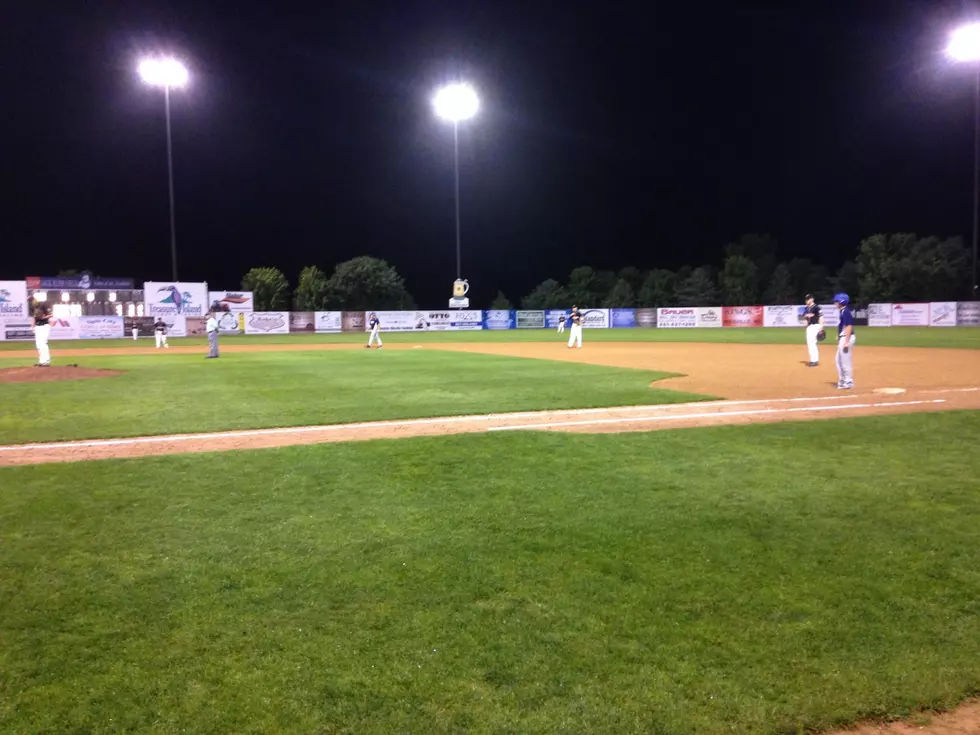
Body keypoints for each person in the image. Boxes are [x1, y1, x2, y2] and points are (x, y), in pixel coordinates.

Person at [835, 292, 855, 389]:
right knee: (838, 360)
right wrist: (839, 337)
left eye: (836, 301)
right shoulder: (842, 311)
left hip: (847, 337)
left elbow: (849, 326)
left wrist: (846, 341)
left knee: (845, 361)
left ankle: (848, 381)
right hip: (843, 337)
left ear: (841, 302)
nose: (835, 303)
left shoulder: (846, 311)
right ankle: (843, 380)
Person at [802, 294, 824, 367]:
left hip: (816, 326)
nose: (806, 300)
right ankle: (813, 360)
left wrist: (821, 327)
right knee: (810, 344)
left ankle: (814, 360)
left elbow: (821, 317)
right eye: (806, 299)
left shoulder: (817, 308)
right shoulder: (806, 308)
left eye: (808, 299)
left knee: (812, 343)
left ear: (812, 299)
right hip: (809, 327)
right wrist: (805, 323)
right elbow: (805, 318)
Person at [32, 300, 53, 367]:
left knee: (43, 343)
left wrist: (43, 317)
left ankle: (46, 361)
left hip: (45, 326)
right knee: (38, 344)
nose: (32, 302)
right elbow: (34, 318)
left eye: (32, 300)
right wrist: (33, 326)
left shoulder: (44, 306)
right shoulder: (34, 308)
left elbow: (51, 315)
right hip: (38, 327)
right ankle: (41, 361)